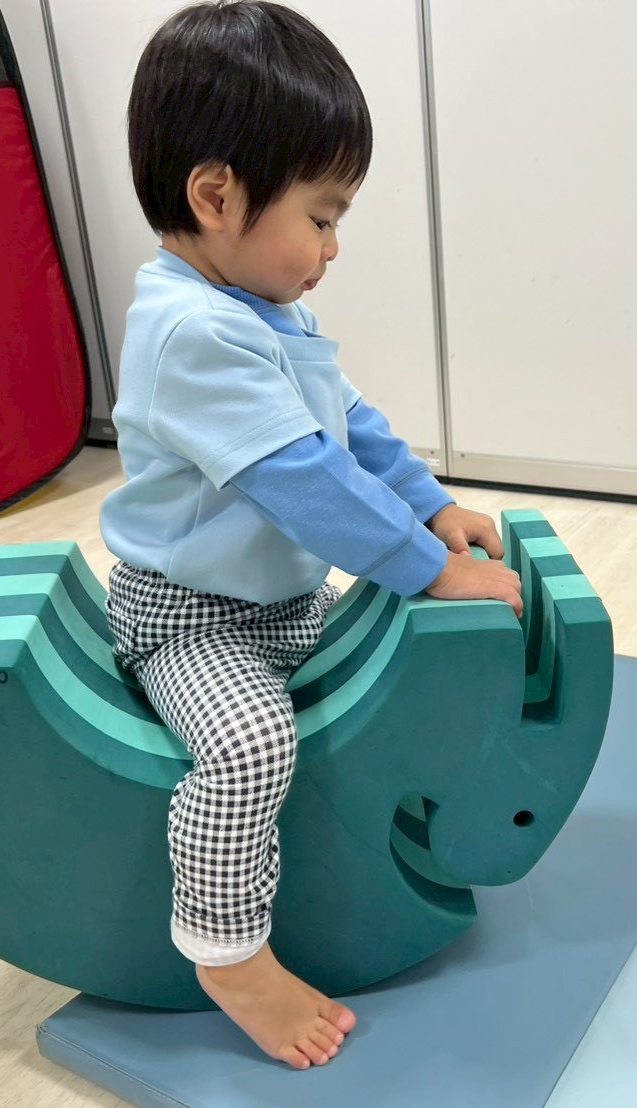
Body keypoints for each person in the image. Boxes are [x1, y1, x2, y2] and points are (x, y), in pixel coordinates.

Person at [102, 0, 524, 1070]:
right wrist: (426, 569)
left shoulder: (263, 309)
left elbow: (349, 423)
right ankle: (228, 953)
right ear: (215, 196)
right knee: (251, 748)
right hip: (191, 619)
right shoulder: (190, 331)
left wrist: (426, 502)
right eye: (322, 216)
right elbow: (302, 479)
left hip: (277, 601)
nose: (333, 247)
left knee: (365, 696)